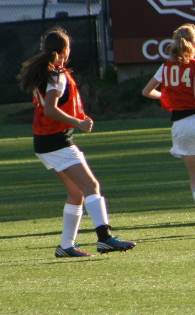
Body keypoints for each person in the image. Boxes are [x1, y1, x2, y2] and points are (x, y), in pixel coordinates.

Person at [18, 27, 137, 257]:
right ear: (64, 51)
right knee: (91, 187)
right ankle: (105, 238)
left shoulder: (46, 72)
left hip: (44, 142)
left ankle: (66, 246)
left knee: (76, 193)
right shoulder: (56, 75)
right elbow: (51, 110)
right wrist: (78, 122)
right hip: (56, 142)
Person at [141, 23, 195, 235]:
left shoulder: (165, 67)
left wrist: (167, 96)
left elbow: (147, 91)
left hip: (180, 125)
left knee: (194, 174)